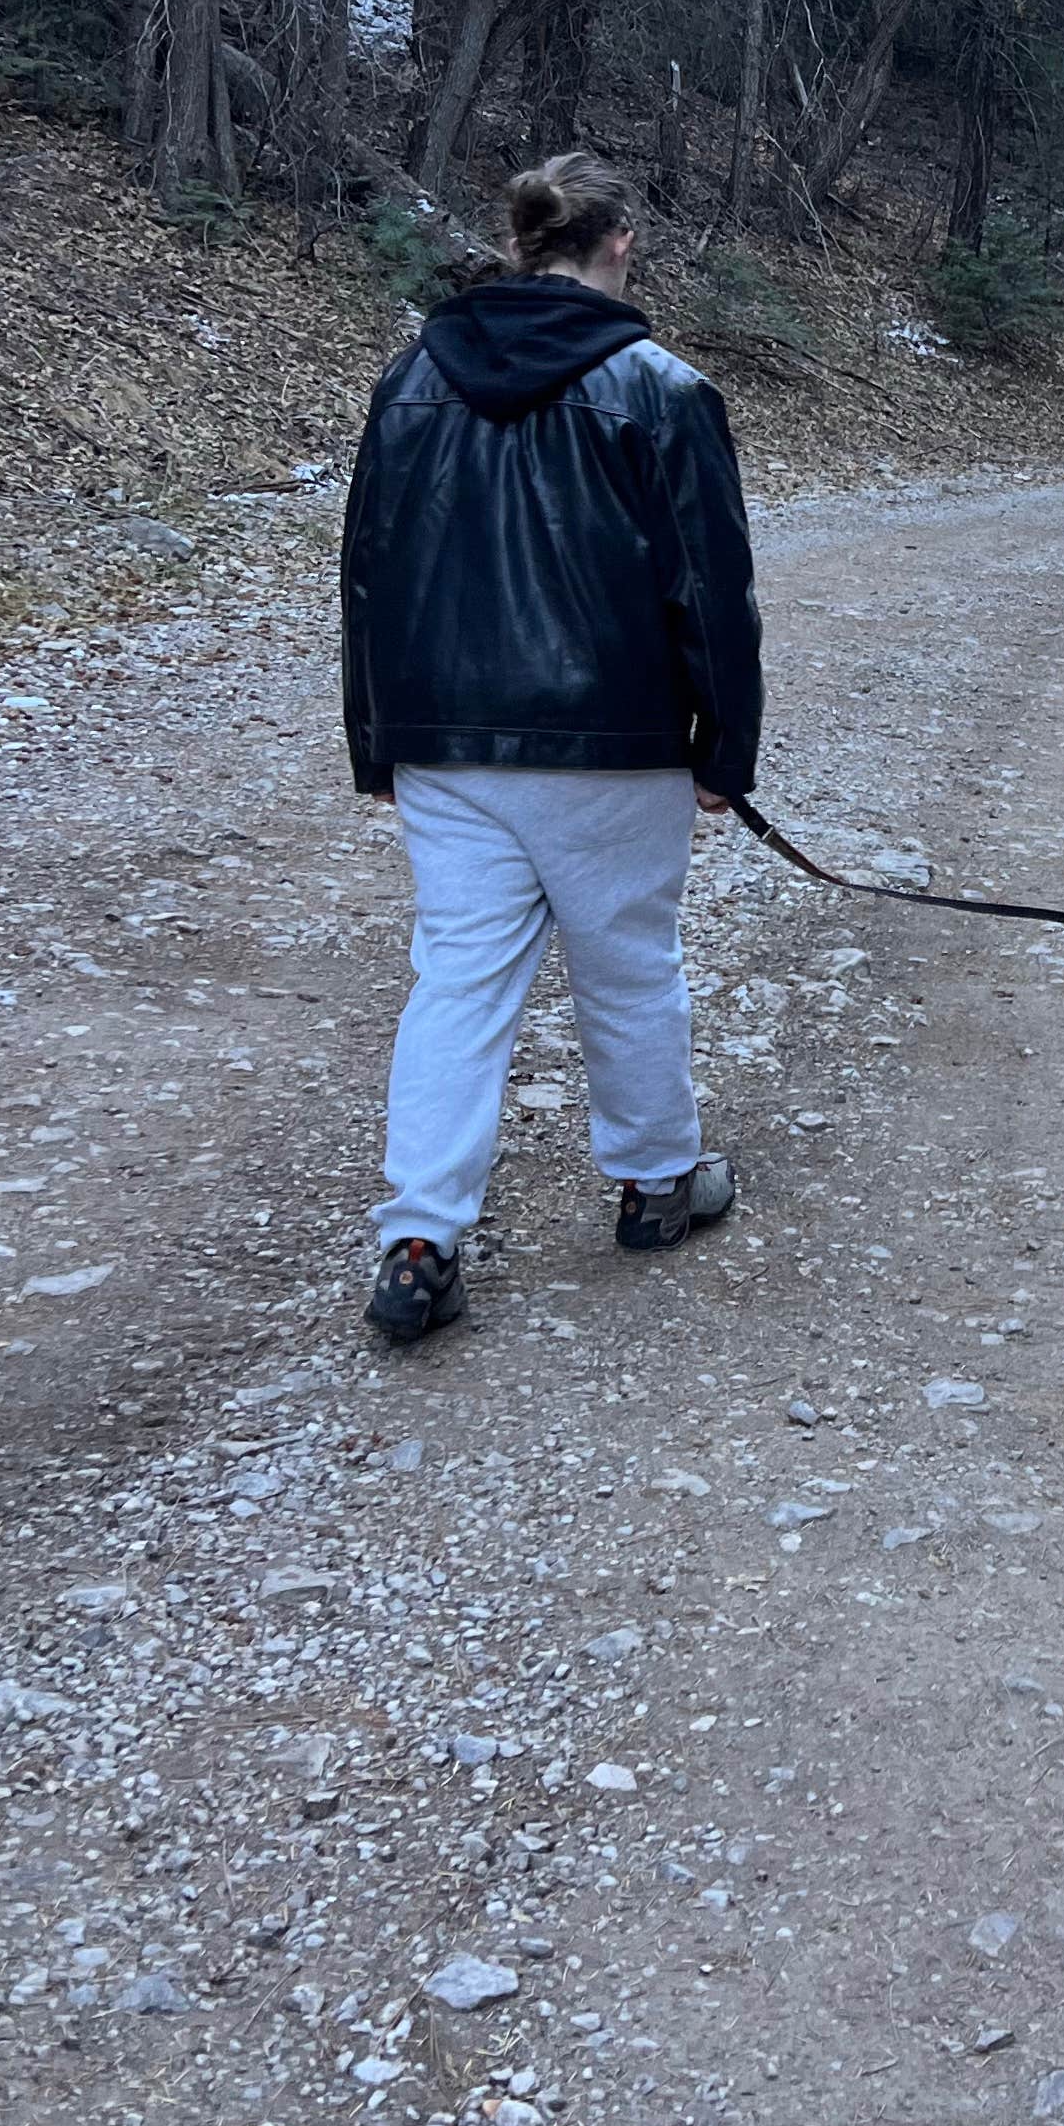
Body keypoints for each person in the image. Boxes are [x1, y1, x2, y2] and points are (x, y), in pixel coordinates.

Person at [340, 150, 764, 1347]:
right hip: (613, 741)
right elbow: (711, 591)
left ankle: (420, 1235)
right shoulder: (661, 387)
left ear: (523, 238)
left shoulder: (410, 376)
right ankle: (657, 1182)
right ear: (619, 242)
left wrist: (378, 737)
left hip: (447, 741)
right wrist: (724, 749)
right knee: (628, 965)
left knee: (458, 981)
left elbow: (368, 572)